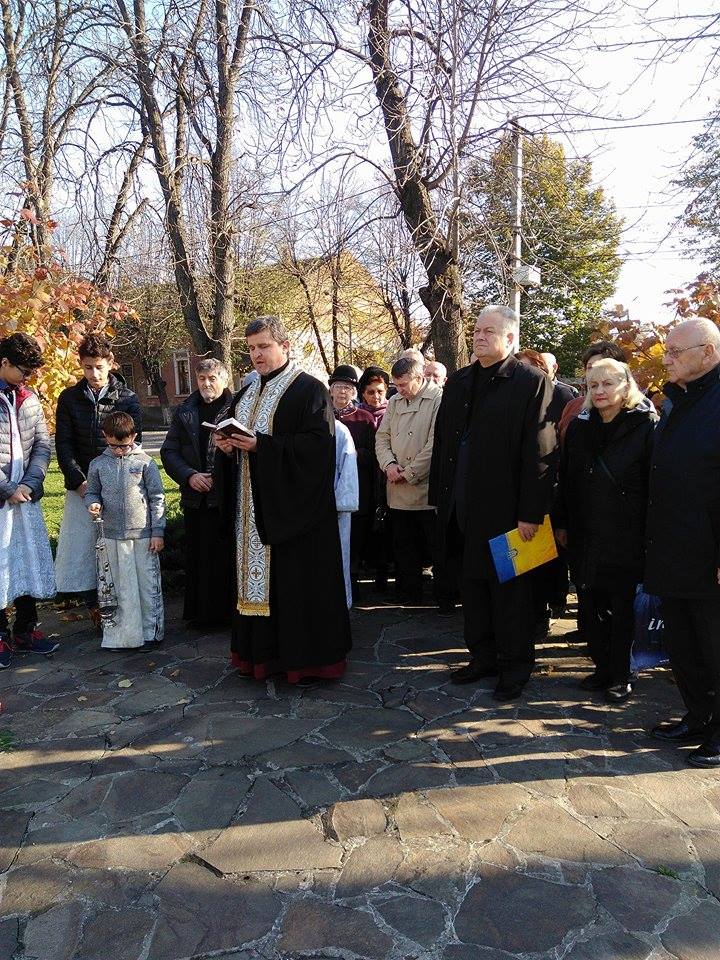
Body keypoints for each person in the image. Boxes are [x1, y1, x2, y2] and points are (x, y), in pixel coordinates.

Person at [429, 305, 556, 701]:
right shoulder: (461, 380)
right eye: (476, 331)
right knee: (473, 589)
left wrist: (531, 513)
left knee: (511, 595)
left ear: (510, 338)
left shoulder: (530, 382)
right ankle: (482, 657)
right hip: (463, 508)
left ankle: (514, 668)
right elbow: (445, 443)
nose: (479, 336)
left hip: (508, 513)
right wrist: (442, 499)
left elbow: (540, 451)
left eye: (489, 331)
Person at [214, 316, 351, 683]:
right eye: (251, 348)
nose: (256, 354)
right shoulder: (244, 393)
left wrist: (263, 446)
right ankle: (258, 657)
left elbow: (319, 448)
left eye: (264, 346)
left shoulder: (310, 390)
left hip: (294, 516)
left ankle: (300, 662)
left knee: (294, 586)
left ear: (285, 345)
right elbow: (239, 445)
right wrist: (226, 447)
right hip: (251, 513)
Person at [554, 360, 656, 703]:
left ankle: (621, 673)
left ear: (625, 386)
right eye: (592, 385)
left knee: (623, 607)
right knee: (589, 604)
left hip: (627, 534)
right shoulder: (581, 428)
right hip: (585, 531)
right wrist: (563, 522)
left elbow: (656, 485)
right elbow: (566, 478)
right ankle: (602, 667)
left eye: (607, 384)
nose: (598, 391)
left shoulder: (646, 426)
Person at [646, 318, 720, 767]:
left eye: (675, 351)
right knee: (684, 643)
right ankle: (699, 715)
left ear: (708, 353)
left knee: (714, 644)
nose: (666, 358)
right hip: (673, 545)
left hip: (708, 551)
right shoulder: (681, 400)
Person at [55, 334, 142, 621]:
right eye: (88, 367)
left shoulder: (127, 398)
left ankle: (122, 602)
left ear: (111, 364)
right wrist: (79, 482)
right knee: (87, 547)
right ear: (80, 365)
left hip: (117, 484)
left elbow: (132, 443)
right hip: (81, 484)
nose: (94, 373)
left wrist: (111, 483)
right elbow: (64, 444)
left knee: (115, 544)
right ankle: (95, 604)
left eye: (99, 367)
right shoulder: (69, 398)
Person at [160, 359, 234, 629]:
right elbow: (169, 451)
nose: (206, 384)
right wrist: (189, 476)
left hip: (226, 495)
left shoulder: (236, 406)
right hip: (195, 495)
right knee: (199, 557)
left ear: (224, 380)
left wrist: (219, 476)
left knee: (224, 557)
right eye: (202, 378)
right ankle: (200, 615)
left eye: (212, 378)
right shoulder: (186, 410)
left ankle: (227, 615)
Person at [0, 333, 58, 668]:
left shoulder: (29, 398)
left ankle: (25, 629)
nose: (28, 377)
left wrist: (30, 484)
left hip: (25, 496)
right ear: (4, 362)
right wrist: (8, 488)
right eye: (23, 369)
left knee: (25, 560)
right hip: (3, 497)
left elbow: (41, 445)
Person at [85, 411, 165, 649]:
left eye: (125, 446)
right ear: (105, 437)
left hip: (142, 536)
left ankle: (150, 633)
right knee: (116, 588)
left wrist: (157, 532)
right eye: (113, 446)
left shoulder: (145, 463)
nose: (119, 451)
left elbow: (157, 497)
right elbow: (92, 491)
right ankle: (120, 637)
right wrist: (92, 503)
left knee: (146, 586)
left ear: (134, 436)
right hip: (111, 536)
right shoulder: (97, 464)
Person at [376, 354, 442, 604]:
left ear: (419, 377)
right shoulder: (394, 402)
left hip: (425, 489)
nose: (399, 390)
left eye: (403, 385)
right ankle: (408, 593)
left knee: (435, 547)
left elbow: (436, 443)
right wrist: (389, 465)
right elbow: (382, 437)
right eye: (396, 385)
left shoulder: (438, 399)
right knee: (403, 545)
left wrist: (411, 473)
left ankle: (442, 595)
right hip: (396, 488)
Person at [328, 365, 376, 599]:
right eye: (338, 387)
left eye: (347, 388)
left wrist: (353, 453)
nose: (342, 392)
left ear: (354, 392)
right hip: (330, 487)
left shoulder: (364, 419)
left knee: (355, 539)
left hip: (359, 487)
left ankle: (354, 584)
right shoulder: (322, 416)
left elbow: (373, 453)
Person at [558, 341, 628, 443]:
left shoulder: (642, 418)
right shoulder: (573, 406)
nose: (594, 373)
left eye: (601, 367)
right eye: (590, 367)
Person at [334, 419, 359, 608]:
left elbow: (348, 465)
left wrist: (343, 502)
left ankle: (341, 605)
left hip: (332, 506)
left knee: (337, 559)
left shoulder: (338, 430)